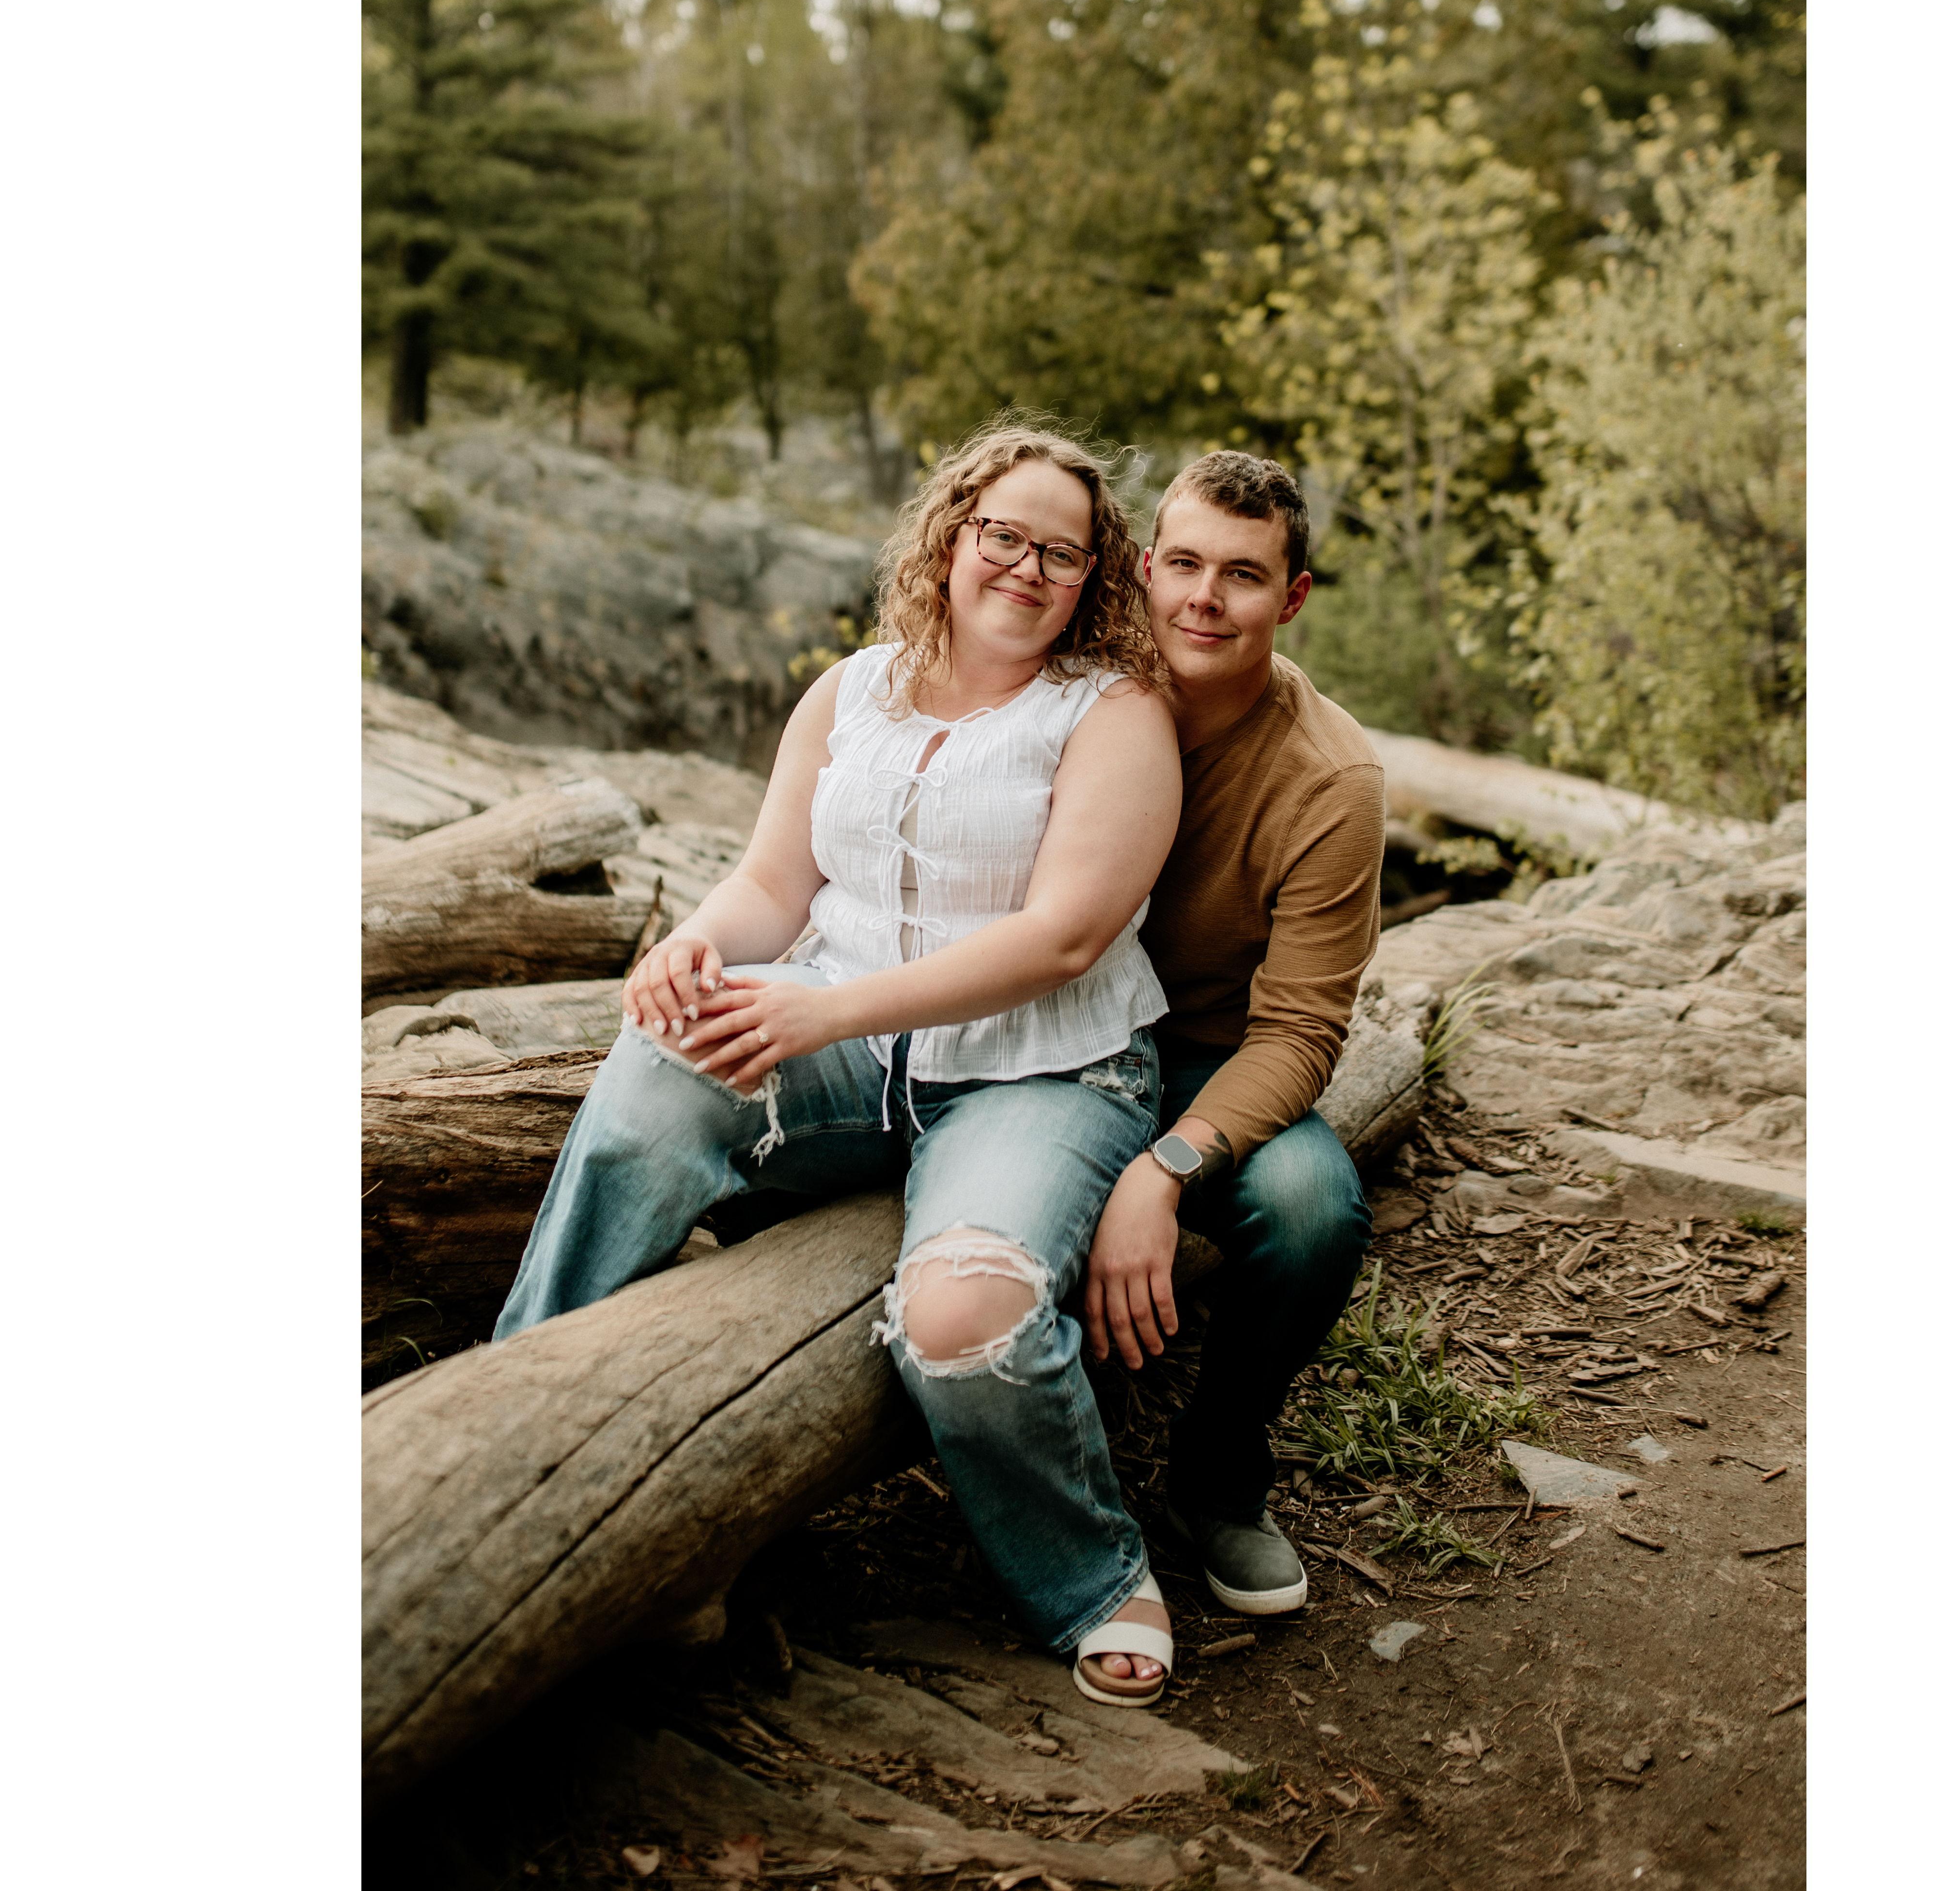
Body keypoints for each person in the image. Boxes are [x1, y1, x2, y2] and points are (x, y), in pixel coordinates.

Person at [492, 422, 1188, 1705]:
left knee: (960, 1318)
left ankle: (1090, 1573)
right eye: (1004, 536)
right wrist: (691, 947)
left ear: (1092, 577)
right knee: (659, 1063)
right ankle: (516, 1411)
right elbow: (772, 885)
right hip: (849, 1048)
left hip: (1041, 1074)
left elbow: (1063, 937)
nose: (1027, 568)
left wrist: (827, 1013)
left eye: (1062, 553)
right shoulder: (850, 692)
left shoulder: (1112, 713)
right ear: (951, 536)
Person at [1077, 450, 1384, 1645]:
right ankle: (1055, 1471)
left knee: (1310, 1204)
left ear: (1291, 596)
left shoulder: (1330, 779)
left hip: (1196, 1053)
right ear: (1146, 567)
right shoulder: (1076, 683)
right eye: (1185, 564)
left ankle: (1215, 1476)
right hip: (1046, 1034)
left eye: (1243, 575)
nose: (1204, 598)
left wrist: (1166, 1165)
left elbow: (1301, 1029)